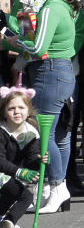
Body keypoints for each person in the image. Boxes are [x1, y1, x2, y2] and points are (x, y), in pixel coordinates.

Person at [3, 0, 84, 214]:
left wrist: (14, 40)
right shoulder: (63, 6)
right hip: (60, 72)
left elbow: (38, 47)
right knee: (58, 135)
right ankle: (57, 188)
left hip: (49, 72)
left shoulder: (51, 7)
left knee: (44, 135)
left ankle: (58, 186)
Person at [0, 87, 47, 227]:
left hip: (8, 173)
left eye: (21, 107)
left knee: (13, 192)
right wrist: (19, 172)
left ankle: (4, 220)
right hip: (4, 171)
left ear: (28, 111)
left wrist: (40, 160)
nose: (17, 111)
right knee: (25, 195)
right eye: (11, 108)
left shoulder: (31, 132)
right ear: (4, 112)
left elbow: (31, 158)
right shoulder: (1, 131)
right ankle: (9, 221)